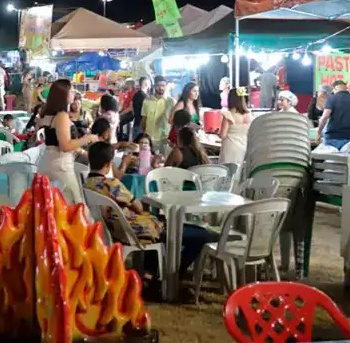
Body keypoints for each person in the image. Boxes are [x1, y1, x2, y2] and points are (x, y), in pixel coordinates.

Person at [84, 142, 216, 280]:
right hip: (139, 230)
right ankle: (174, 275)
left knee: (177, 228)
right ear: (108, 164)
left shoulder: (87, 183)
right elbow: (139, 208)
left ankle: (151, 272)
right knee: (201, 234)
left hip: (117, 230)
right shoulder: (111, 184)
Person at [37, 79, 98, 203]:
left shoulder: (49, 114)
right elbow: (65, 145)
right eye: (70, 90)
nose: (73, 93)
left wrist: (82, 152)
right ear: (63, 94)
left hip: (49, 161)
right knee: (75, 203)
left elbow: (57, 141)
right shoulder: (62, 116)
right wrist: (87, 138)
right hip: (60, 165)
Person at [317, 79, 350, 150]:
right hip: (348, 138)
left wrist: (319, 132)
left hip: (331, 138)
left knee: (330, 160)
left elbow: (325, 116)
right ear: (346, 88)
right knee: (344, 160)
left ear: (335, 88)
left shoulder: (332, 98)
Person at [220, 89, 252, 166]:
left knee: (227, 171)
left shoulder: (228, 114)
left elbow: (222, 135)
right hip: (243, 146)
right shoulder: (248, 115)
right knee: (239, 170)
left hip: (230, 147)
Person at [141, 76, 174, 146]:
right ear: (154, 86)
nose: (161, 88)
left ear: (166, 86)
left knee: (164, 156)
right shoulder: (147, 100)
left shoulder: (171, 102)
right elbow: (144, 118)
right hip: (149, 136)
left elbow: (174, 120)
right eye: (158, 85)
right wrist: (144, 133)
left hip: (165, 137)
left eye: (163, 85)